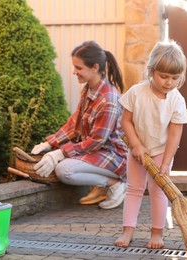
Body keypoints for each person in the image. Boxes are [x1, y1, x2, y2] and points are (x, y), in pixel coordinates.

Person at [31, 41, 128, 210]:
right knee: (63, 163)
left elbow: (96, 141)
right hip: (96, 151)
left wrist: (60, 153)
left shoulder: (108, 100)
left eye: (79, 68)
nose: (75, 72)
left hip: (114, 156)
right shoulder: (89, 90)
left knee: (64, 170)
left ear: (95, 67)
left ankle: (115, 184)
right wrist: (49, 143)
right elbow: (74, 123)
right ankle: (101, 187)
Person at [114, 40, 187, 249]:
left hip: (161, 152)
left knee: (158, 191)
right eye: (163, 76)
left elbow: (175, 133)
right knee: (134, 188)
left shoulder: (177, 100)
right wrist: (136, 145)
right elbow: (126, 121)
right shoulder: (136, 93)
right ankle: (128, 230)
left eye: (174, 77)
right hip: (138, 150)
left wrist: (166, 163)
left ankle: (157, 233)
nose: (168, 82)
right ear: (151, 70)